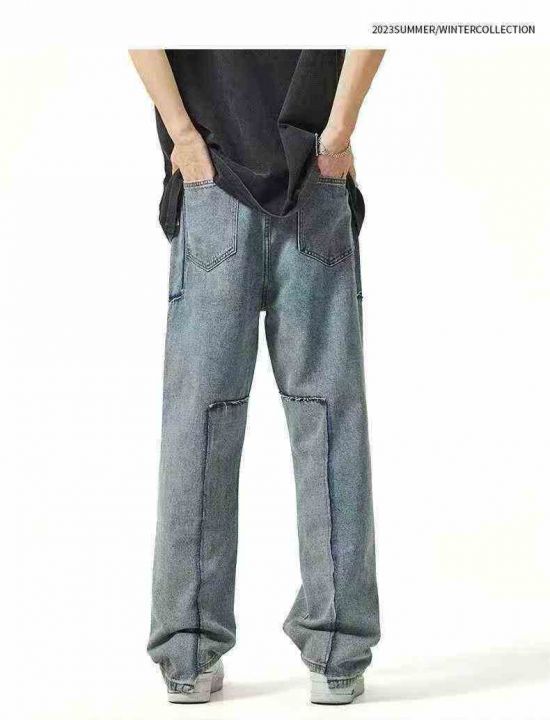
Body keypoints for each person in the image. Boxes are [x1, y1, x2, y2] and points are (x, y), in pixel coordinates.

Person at [129, 48, 385, 705]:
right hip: (312, 176)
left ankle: (187, 655)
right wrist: (337, 133)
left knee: (200, 420)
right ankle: (337, 654)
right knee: (327, 418)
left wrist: (184, 135)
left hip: (212, 181)